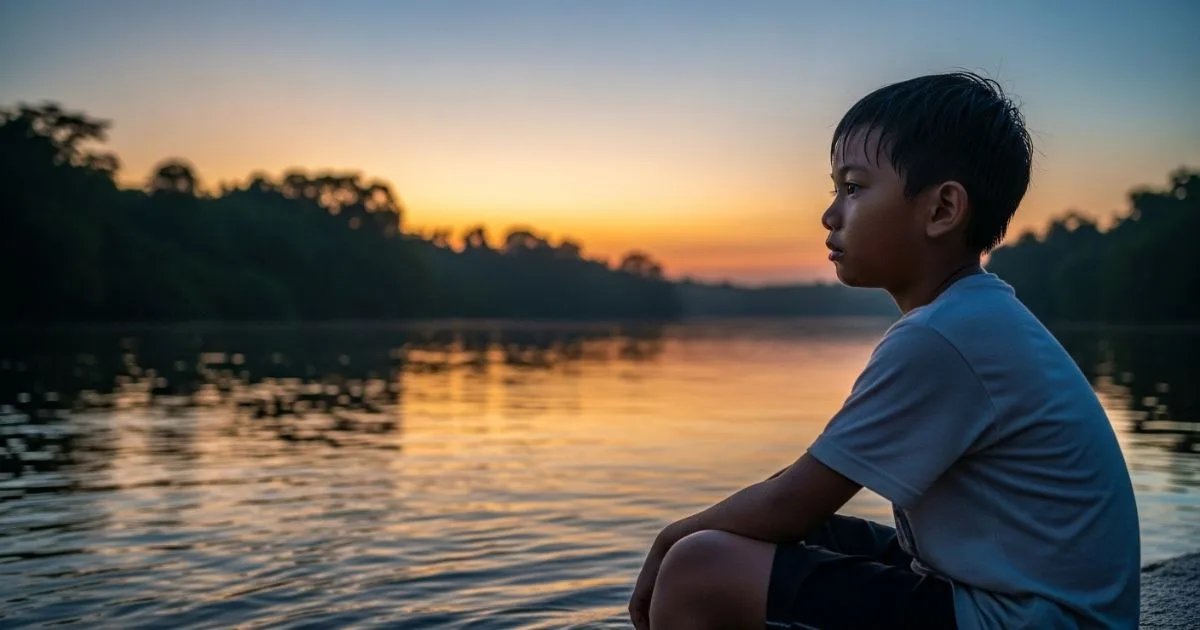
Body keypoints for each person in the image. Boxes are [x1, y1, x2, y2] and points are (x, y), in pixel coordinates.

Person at [628, 71, 1141, 630]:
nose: (830, 214)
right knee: (769, 536)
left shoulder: (944, 336)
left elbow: (793, 502)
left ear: (942, 209)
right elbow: (804, 491)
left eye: (852, 188)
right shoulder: (972, 317)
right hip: (1027, 601)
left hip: (1026, 618)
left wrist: (670, 539)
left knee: (700, 565)